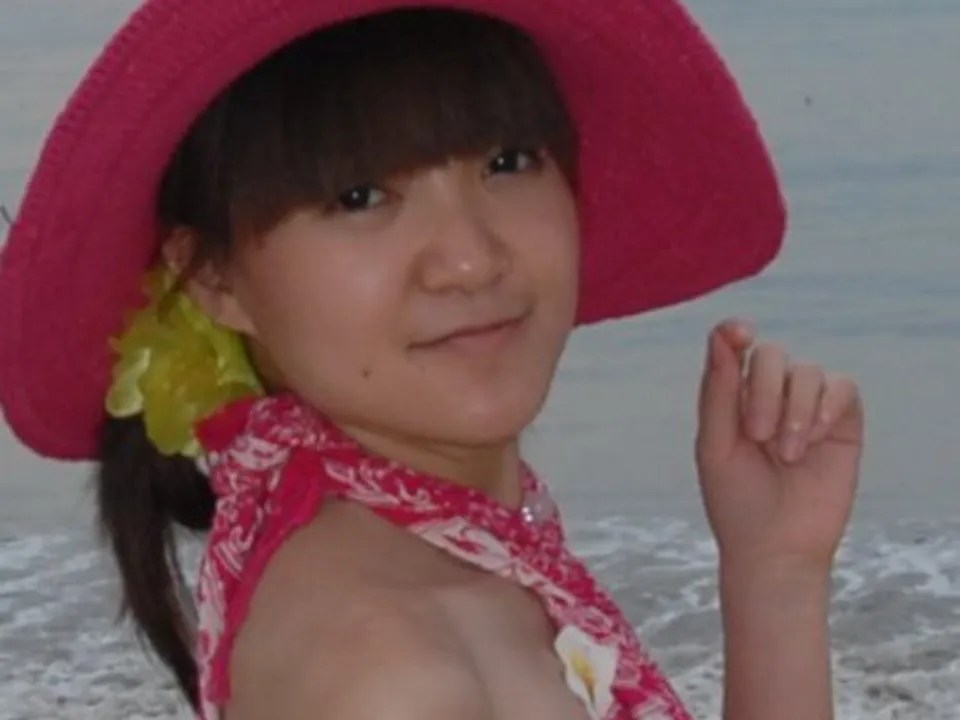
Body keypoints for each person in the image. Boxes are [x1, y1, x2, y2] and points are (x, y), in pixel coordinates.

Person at [0, 1, 864, 719]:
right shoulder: (399, 672)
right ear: (213, 278)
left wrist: (775, 577)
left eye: (508, 162)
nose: (471, 259)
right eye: (359, 196)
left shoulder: (406, 554)